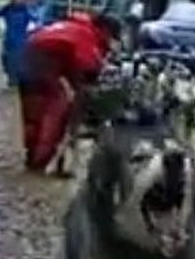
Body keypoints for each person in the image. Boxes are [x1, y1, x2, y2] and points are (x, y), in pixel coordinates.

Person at [16, 11, 121, 174]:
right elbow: (87, 71)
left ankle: (34, 156)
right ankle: (40, 159)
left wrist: (80, 87)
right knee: (57, 106)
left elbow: (73, 68)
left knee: (34, 112)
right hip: (41, 61)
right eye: (111, 37)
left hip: (28, 56)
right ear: (105, 30)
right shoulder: (88, 37)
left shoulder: (74, 27)